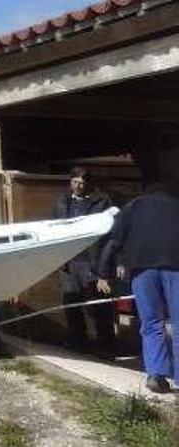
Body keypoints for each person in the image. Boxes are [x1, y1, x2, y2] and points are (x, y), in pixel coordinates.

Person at [98, 181, 179, 394]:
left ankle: (157, 375)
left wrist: (103, 273)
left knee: (151, 323)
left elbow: (113, 243)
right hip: (176, 269)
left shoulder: (132, 207)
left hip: (143, 271)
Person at [53, 166, 116, 351]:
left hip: (91, 261)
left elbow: (110, 235)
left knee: (98, 307)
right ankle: (78, 342)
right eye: (75, 182)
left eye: (82, 182)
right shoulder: (62, 202)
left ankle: (106, 347)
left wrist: (108, 267)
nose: (79, 186)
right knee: (72, 304)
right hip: (69, 261)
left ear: (88, 183)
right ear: (70, 181)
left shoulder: (101, 202)